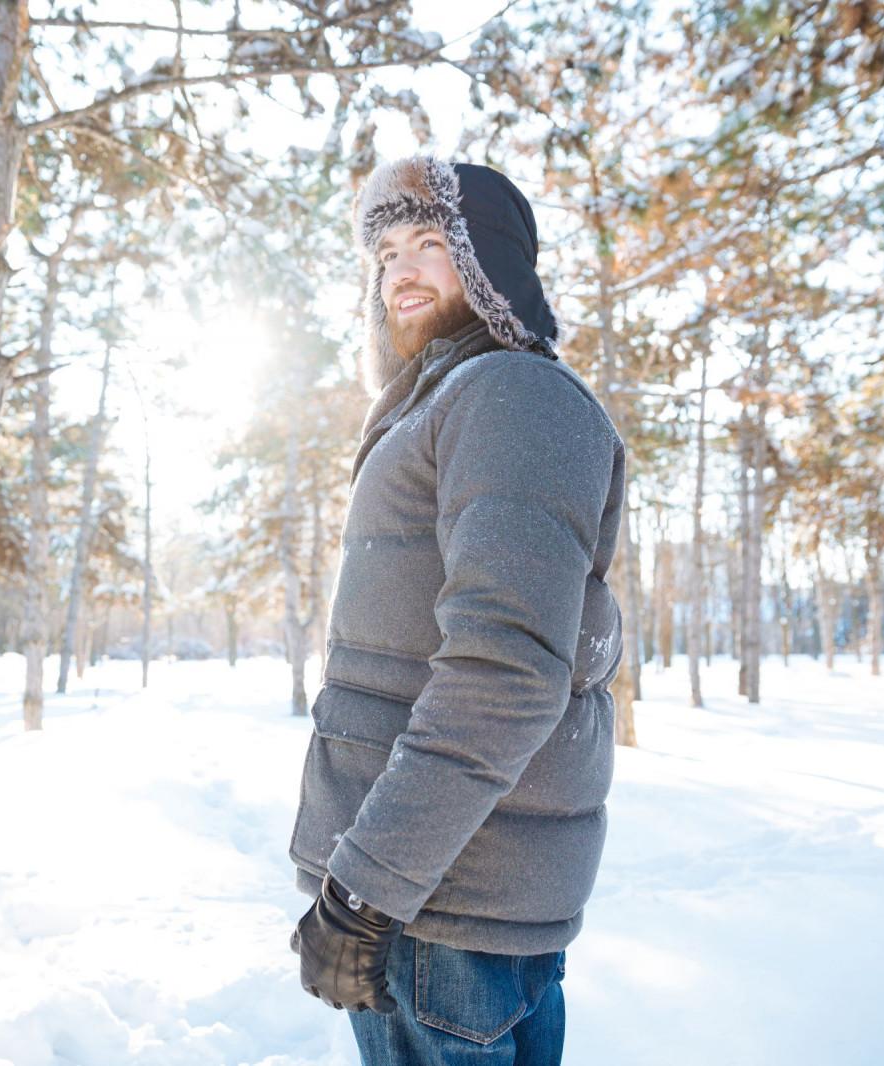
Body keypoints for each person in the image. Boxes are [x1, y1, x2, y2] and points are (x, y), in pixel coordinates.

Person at [288, 154, 628, 1066]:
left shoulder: (511, 394)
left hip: (445, 915)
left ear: (492, 264)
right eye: (386, 249)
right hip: (422, 897)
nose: (400, 268)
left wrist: (361, 892)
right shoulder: (445, 402)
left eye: (432, 242)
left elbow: (503, 676)